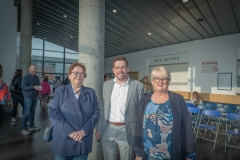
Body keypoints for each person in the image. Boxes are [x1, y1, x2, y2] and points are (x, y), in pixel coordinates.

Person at [134, 66, 196, 160]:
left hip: (171, 153)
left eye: (164, 78)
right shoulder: (144, 101)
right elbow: (138, 127)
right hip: (148, 153)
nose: (160, 81)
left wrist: (190, 153)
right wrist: (138, 153)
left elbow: (187, 127)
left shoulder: (178, 100)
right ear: (152, 81)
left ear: (169, 81)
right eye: (157, 78)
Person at [96, 56, 144, 160]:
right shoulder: (106, 85)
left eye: (123, 67)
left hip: (127, 131)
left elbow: (141, 112)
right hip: (108, 129)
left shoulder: (138, 86)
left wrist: (139, 133)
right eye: (117, 67)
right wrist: (99, 129)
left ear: (128, 69)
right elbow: (102, 107)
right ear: (113, 70)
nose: (120, 70)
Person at [49, 62, 99, 160]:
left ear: (84, 76)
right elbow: (54, 113)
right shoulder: (60, 91)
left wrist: (83, 131)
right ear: (69, 75)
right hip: (64, 138)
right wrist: (70, 132)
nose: (78, 75)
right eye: (75, 72)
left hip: (83, 138)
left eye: (81, 73)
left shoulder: (90, 92)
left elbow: (96, 113)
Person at [21, 65, 42, 135]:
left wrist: (39, 87)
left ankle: (31, 126)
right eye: (33, 68)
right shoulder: (25, 77)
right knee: (26, 113)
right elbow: (23, 87)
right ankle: (23, 129)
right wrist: (34, 87)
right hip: (28, 98)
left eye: (35, 68)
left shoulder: (36, 77)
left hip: (34, 97)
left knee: (32, 112)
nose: (35, 70)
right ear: (29, 69)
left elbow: (38, 85)